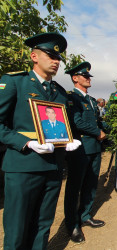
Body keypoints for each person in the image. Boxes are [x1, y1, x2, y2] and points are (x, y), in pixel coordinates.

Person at [0, 32, 81, 249]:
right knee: (17, 227)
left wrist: (68, 140)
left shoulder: (60, 93)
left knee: (43, 224)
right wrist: (25, 142)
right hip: (23, 166)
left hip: (53, 167)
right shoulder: (15, 82)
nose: (56, 61)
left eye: (59, 58)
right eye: (50, 56)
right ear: (34, 56)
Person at [64, 61, 108, 243]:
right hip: (80, 148)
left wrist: (112, 128)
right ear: (75, 78)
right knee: (75, 187)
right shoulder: (70, 97)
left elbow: (97, 121)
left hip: (95, 148)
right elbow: (76, 122)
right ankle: (72, 224)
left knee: (91, 184)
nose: (89, 79)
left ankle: (85, 215)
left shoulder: (90, 100)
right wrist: (98, 132)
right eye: (85, 76)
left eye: (89, 76)